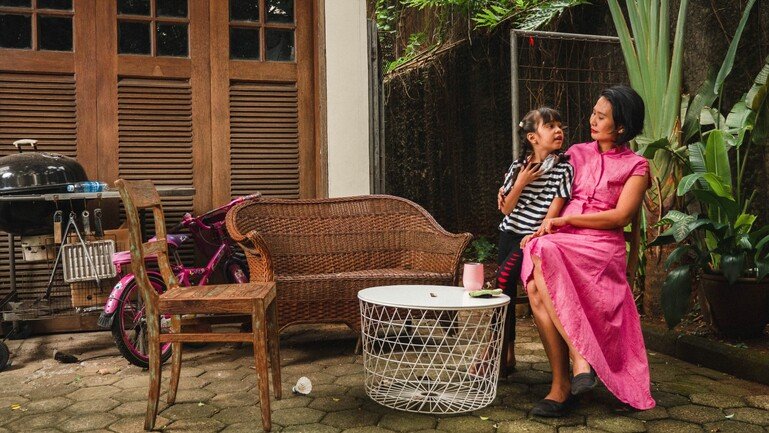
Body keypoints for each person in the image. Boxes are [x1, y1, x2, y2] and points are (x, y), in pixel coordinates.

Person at [520, 85, 655, 417]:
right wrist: (512, 187)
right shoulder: (576, 152)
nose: (592, 119)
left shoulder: (637, 166)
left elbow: (621, 216)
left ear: (621, 127)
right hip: (560, 239)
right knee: (539, 262)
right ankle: (573, 370)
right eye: (593, 112)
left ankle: (565, 381)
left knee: (540, 262)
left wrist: (567, 221)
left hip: (600, 247)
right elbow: (536, 168)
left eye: (601, 116)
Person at [495, 107, 574, 374]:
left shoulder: (564, 169)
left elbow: (552, 215)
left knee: (504, 279)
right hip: (509, 235)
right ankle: (506, 354)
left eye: (559, 125)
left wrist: (536, 235)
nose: (558, 130)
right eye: (550, 126)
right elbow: (506, 209)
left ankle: (492, 354)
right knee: (502, 295)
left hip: (534, 239)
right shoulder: (518, 166)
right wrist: (522, 181)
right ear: (532, 137)